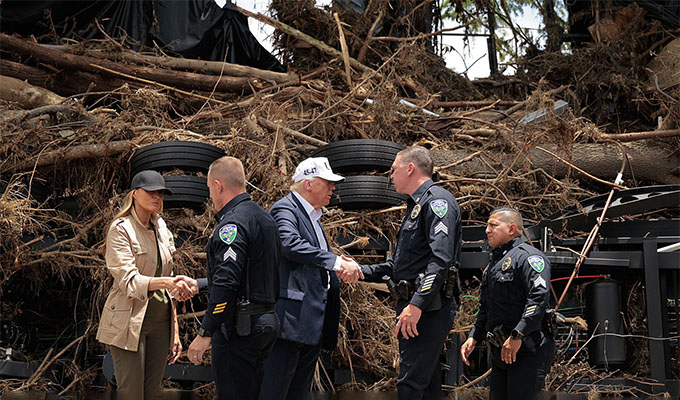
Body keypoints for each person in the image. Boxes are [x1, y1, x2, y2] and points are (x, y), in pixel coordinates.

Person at [359, 146, 461, 400]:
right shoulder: (415, 205)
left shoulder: (436, 202)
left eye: (393, 170)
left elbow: (441, 259)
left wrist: (417, 304)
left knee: (410, 385)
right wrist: (360, 271)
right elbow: (399, 267)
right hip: (417, 306)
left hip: (428, 308)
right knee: (426, 385)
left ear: (410, 168)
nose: (391, 176)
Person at [259, 157, 363, 400]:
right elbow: (289, 244)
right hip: (289, 324)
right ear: (308, 184)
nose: (333, 188)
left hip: (307, 325)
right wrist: (336, 262)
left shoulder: (313, 217)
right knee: (274, 392)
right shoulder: (285, 209)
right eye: (327, 182)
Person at [186, 156, 281, 400]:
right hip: (266, 322)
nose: (210, 195)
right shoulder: (264, 218)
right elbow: (250, 273)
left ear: (218, 186)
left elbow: (227, 282)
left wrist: (205, 332)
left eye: (209, 188)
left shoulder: (232, 224)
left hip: (240, 330)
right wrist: (200, 284)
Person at [96, 170, 193, 399]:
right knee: (132, 393)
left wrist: (175, 331)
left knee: (152, 393)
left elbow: (168, 282)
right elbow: (129, 281)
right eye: (151, 192)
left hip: (161, 322)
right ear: (135, 194)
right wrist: (167, 282)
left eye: (160, 193)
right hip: (128, 321)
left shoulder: (162, 228)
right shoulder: (121, 228)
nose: (157, 197)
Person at [460, 207, 554, 400]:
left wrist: (518, 334)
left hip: (526, 349)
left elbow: (538, 299)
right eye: (487, 225)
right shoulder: (493, 265)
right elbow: (486, 307)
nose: (487, 230)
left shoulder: (529, 258)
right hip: (501, 351)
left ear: (511, 229)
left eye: (493, 225)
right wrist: (474, 336)